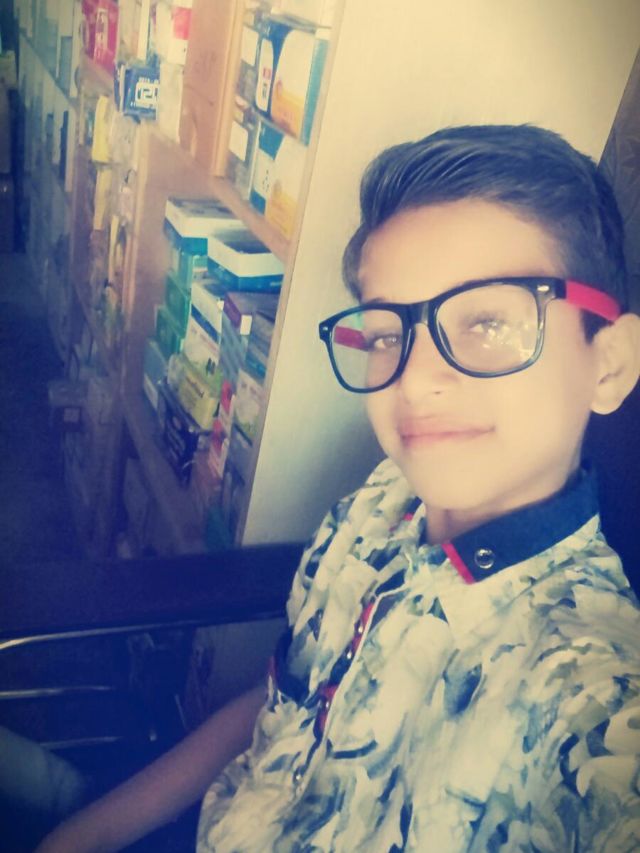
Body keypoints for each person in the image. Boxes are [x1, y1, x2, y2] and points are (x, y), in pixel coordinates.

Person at [36, 124, 640, 851]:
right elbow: (282, 708)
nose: (415, 378)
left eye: (486, 322)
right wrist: (85, 833)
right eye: (387, 333)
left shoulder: (597, 706)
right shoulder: (379, 503)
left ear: (609, 363)